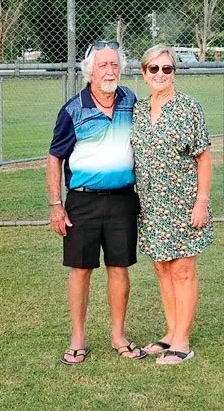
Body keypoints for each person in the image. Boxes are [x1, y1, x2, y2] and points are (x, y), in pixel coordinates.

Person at [46, 40, 148, 365]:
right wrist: (55, 205)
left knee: (119, 269)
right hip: (82, 203)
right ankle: (78, 337)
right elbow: (54, 158)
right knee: (81, 270)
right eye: (103, 65)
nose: (110, 71)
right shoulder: (73, 109)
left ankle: (118, 335)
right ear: (90, 71)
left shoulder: (130, 101)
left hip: (121, 201)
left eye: (115, 65)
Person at [130, 44, 214, 365]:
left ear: (174, 72)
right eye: (154, 69)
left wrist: (201, 202)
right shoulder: (137, 110)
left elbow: (203, 158)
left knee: (182, 270)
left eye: (167, 69)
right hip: (150, 205)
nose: (161, 74)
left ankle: (182, 341)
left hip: (183, 202)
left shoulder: (189, 108)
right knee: (162, 268)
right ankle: (170, 332)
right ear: (144, 73)